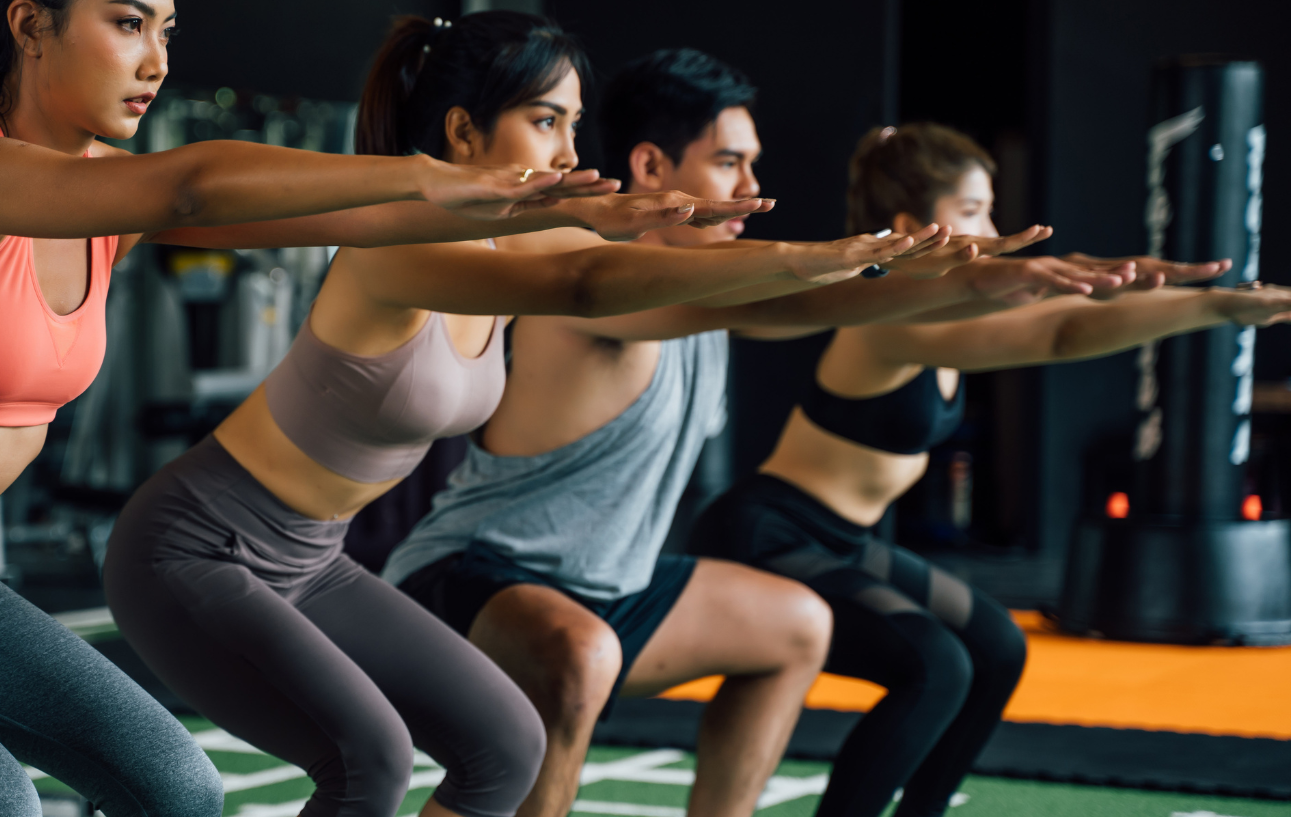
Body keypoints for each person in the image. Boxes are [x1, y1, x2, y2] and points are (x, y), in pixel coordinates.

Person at [0, 0, 736, 814]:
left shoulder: (94, 207)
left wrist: (655, 232)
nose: (157, 62)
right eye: (128, 23)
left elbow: (320, 225)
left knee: (179, 789)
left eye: (167, 30)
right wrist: (439, 178)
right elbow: (192, 185)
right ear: (29, 24)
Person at [104, 14, 946, 817]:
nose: (571, 153)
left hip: (313, 558)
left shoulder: (509, 242)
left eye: (575, 125)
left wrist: (889, 282)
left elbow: (703, 297)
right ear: (466, 133)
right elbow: (587, 283)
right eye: (547, 122)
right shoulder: (405, 244)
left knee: (506, 747)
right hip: (200, 541)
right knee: (369, 761)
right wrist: (810, 259)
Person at [380, 48, 1189, 817]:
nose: (751, 184)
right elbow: (799, 299)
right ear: (653, 168)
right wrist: (958, 275)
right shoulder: (604, 283)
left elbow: (800, 299)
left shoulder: (708, 297)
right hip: (474, 575)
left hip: (614, 588)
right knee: (579, 654)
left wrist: (1163, 302)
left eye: (749, 162)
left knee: (798, 624)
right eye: (729, 162)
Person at [687, 121, 1289, 817]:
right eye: (972, 212)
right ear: (915, 226)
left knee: (998, 648)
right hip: (771, 533)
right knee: (936, 667)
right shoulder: (893, 319)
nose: (993, 228)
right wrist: (1209, 308)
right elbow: (1057, 332)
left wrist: (1146, 288)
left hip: (842, 540)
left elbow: (1063, 302)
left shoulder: (945, 307)